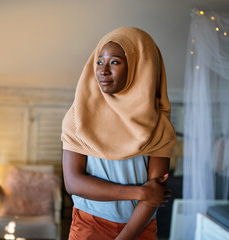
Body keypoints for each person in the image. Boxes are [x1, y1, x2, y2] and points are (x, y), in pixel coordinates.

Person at [61, 27, 176, 240]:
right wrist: (140, 192)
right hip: (88, 225)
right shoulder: (78, 117)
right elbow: (73, 183)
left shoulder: (158, 123)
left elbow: (155, 195)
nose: (103, 70)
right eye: (99, 61)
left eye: (114, 62)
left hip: (140, 228)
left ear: (139, 67)